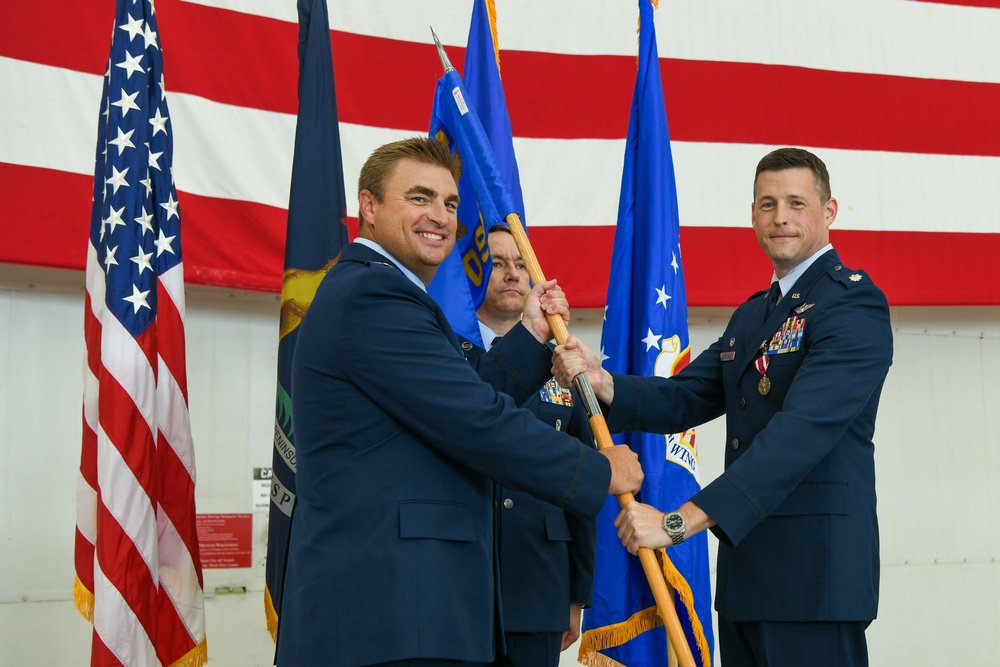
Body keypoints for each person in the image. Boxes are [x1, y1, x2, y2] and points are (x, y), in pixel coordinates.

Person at [275, 137, 643, 667]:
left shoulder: (375, 292)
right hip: (389, 617)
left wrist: (534, 335)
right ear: (370, 207)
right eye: (419, 198)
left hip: (403, 614)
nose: (440, 217)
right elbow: (479, 422)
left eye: (450, 204)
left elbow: (467, 398)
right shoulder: (374, 296)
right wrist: (596, 471)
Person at [553, 147, 893, 667]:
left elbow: (796, 436)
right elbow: (685, 395)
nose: (780, 217)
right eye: (767, 204)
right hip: (747, 575)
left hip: (812, 582)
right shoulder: (756, 313)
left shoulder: (853, 306)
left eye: (796, 203)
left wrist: (676, 523)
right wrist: (601, 383)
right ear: (752, 215)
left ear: (829, 212)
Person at [461, 225, 597, 667]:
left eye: (521, 265)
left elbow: (579, 476)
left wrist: (576, 593)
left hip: (540, 580)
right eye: (497, 262)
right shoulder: (445, 354)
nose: (513, 274)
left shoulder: (561, 362)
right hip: (462, 580)